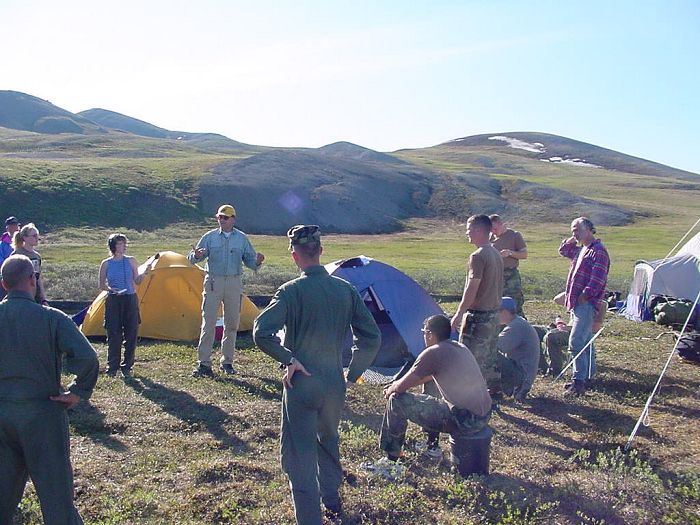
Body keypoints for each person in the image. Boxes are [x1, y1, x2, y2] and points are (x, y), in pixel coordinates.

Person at [253, 225, 381, 525]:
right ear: (321, 251)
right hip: (334, 382)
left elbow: (261, 333)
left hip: (301, 382)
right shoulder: (345, 290)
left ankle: (309, 518)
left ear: (295, 256)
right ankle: (332, 502)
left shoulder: (291, 291)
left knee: (299, 453)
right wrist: (354, 372)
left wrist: (288, 359)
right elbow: (372, 337)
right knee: (329, 439)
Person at [0, 255, 99, 525]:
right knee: (56, 498)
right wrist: (78, 391)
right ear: (32, 279)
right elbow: (88, 358)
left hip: (3, 412)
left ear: (4, 284)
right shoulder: (51, 318)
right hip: (43, 412)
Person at [365, 314, 491, 476]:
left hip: (464, 420)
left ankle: (391, 461)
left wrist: (391, 389)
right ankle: (432, 445)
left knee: (396, 400)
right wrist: (397, 385)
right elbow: (428, 376)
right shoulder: (458, 347)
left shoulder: (433, 353)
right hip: (483, 416)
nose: (424, 336)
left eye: (425, 332)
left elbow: (401, 387)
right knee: (430, 386)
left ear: (430, 334)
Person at [188, 204, 265, 377]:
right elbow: (192, 259)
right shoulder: (209, 237)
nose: (221, 220)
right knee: (208, 322)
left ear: (233, 219)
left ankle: (227, 362)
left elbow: (251, 262)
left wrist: (258, 261)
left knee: (231, 324)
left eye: (225, 217)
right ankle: (204, 364)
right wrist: (197, 256)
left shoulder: (242, 239)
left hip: (234, 282)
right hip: (213, 281)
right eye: (219, 217)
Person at [451, 214, 504, 395]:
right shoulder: (495, 253)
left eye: (469, 229)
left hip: (478, 317)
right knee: (489, 357)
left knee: (468, 357)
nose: (467, 233)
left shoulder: (478, 256)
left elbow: (472, 287)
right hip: (493, 315)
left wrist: (459, 313)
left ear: (479, 231)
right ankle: (493, 393)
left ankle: (470, 397)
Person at [558, 217, 610, 396]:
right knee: (586, 341)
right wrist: (571, 239)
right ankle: (588, 376)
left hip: (586, 304)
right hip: (577, 303)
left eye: (577, 230)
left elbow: (598, 278)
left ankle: (578, 381)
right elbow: (564, 251)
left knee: (576, 341)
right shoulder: (582, 250)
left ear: (589, 229)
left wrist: (584, 296)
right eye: (573, 230)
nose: (575, 233)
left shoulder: (598, 251)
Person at [97, 233, 150, 377]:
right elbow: (101, 285)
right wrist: (111, 289)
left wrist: (145, 273)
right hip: (114, 299)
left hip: (130, 298)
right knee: (113, 332)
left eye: (125, 243)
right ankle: (112, 366)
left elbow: (137, 281)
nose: (124, 246)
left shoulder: (131, 261)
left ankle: (127, 366)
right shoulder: (106, 263)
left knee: (131, 331)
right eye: (121, 243)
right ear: (113, 245)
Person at [496, 297, 541, 401]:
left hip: (522, 376)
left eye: (496, 312)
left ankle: (495, 390)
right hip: (523, 372)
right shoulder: (518, 322)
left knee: (488, 354)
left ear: (505, 312)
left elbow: (497, 346)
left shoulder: (516, 326)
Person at [489, 214, 528, 317]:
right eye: (490, 229)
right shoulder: (490, 239)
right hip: (496, 275)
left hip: (510, 276)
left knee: (514, 304)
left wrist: (510, 253)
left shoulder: (515, 235)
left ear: (501, 224)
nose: (493, 231)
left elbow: (524, 254)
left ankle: (520, 327)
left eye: (495, 228)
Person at [11, 222, 48, 305]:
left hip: (36, 296)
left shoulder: (37, 256)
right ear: (25, 238)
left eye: (37, 235)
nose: (37, 238)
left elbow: (38, 278)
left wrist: (43, 299)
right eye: (34, 235)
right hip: (21, 297)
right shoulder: (17, 254)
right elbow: (12, 278)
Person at [0, 216, 20, 300]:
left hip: (20, 276)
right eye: (12, 225)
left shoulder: (22, 242)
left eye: (16, 225)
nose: (15, 228)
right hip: (5, 277)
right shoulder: (2, 245)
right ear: (7, 228)